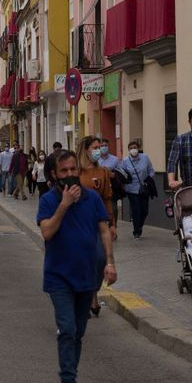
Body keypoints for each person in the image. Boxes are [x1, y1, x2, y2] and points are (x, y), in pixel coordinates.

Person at [36, 150, 117, 383]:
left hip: (87, 275)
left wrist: (110, 262)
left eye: (73, 170)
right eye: (64, 171)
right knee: (68, 329)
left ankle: (71, 375)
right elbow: (47, 232)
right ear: (54, 175)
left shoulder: (92, 199)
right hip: (58, 277)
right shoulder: (49, 201)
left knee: (79, 332)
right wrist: (64, 205)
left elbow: (104, 231)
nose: (70, 175)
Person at [76, 136, 115, 318]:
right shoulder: (75, 172)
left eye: (100, 147)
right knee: (83, 260)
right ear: (86, 150)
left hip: (98, 223)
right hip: (78, 223)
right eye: (95, 147)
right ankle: (86, 295)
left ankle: (93, 291)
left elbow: (107, 197)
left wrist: (112, 223)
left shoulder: (103, 172)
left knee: (100, 259)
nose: (99, 150)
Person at [120, 140, 155, 239]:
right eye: (131, 148)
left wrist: (148, 179)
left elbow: (151, 171)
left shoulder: (145, 157)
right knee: (136, 210)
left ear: (138, 148)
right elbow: (122, 174)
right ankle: (136, 231)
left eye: (134, 147)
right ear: (128, 150)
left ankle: (139, 226)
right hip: (131, 189)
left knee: (144, 210)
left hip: (144, 188)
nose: (133, 150)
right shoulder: (125, 161)